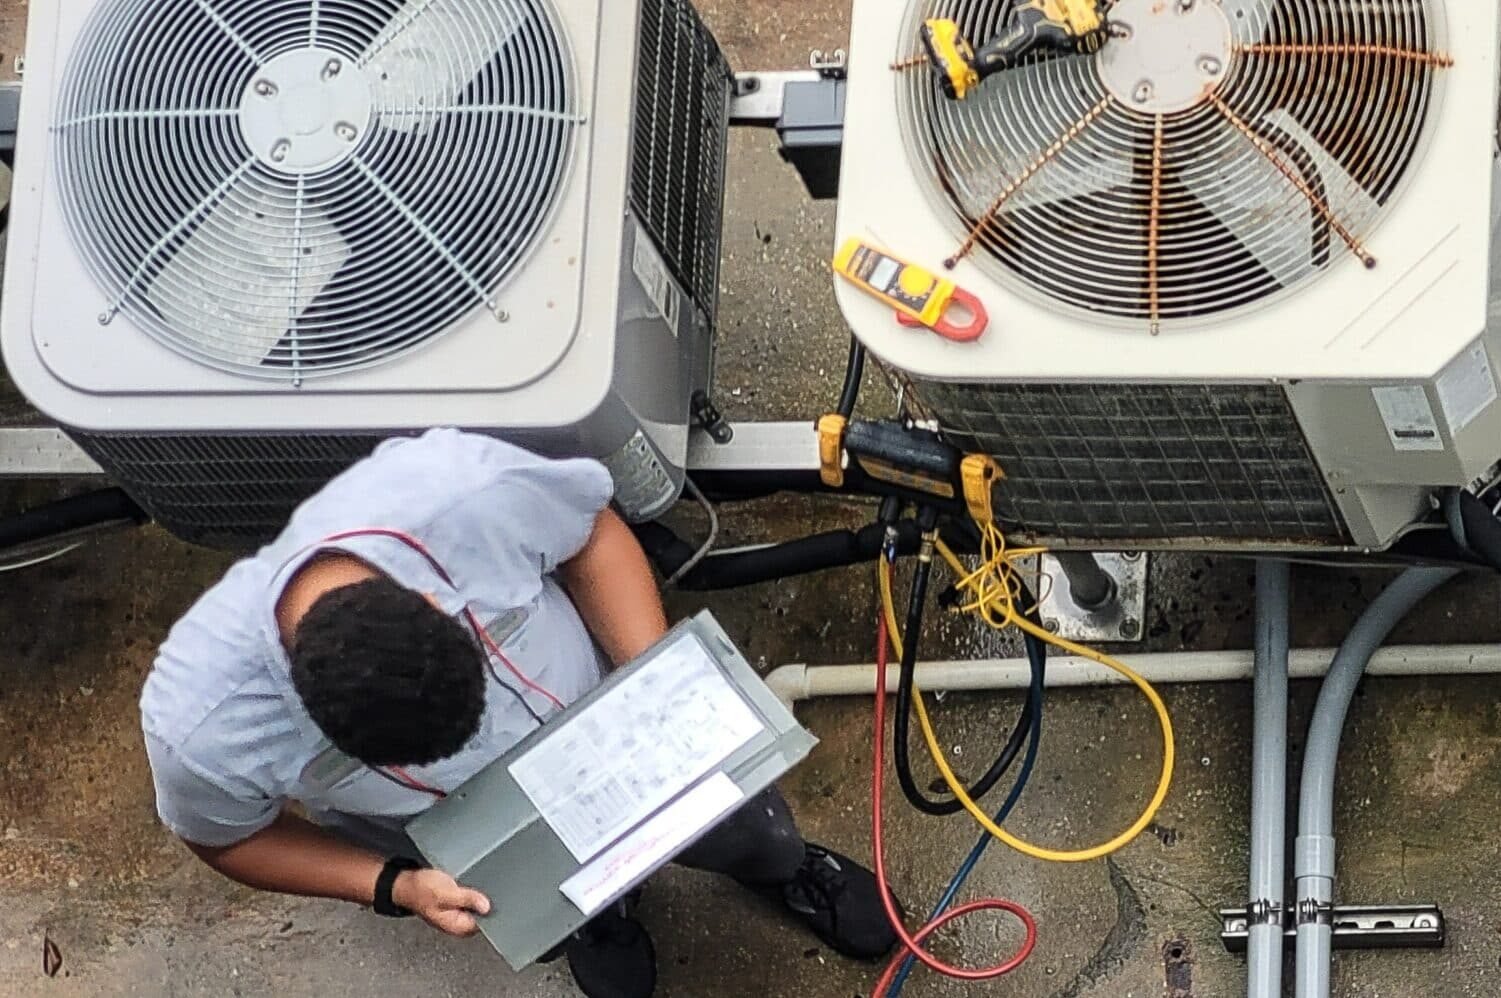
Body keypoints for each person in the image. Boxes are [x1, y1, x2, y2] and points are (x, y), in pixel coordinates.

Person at [140, 428, 897, 998]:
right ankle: (599, 922)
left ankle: (785, 868)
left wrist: (655, 679)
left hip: (617, 722)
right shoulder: (201, 728)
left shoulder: (454, 490)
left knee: (746, 826)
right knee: (559, 907)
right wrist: (393, 884)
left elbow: (589, 535)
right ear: (302, 711)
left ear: (434, 601)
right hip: (486, 841)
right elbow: (227, 837)